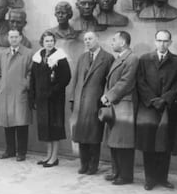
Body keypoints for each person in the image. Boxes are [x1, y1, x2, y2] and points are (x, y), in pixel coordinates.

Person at [136, 30, 177, 190]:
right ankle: (150, 179)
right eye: (159, 40)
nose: (162, 44)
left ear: (170, 42)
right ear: (155, 41)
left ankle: (163, 178)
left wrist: (164, 99)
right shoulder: (144, 59)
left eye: (165, 41)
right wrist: (153, 100)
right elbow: (140, 82)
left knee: (165, 144)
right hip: (149, 107)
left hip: (167, 107)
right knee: (149, 144)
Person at [70, 31, 114, 174]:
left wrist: (106, 99)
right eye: (85, 39)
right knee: (82, 135)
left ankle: (93, 165)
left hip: (95, 102)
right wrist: (72, 99)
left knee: (94, 136)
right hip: (80, 103)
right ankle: (84, 164)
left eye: (90, 39)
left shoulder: (107, 58)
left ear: (97, 39)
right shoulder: (82, 57)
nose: (87, 41)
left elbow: (110, 82)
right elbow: (76, 80)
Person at [101, 31, 139, 185]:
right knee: (114, 141)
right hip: (116, 104)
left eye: (114, 40)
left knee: (123, 143)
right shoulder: (121, 58)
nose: (112, 43)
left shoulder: (131, 58)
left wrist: (108, 96)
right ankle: (116, 172)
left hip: (125, 104)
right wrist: (108, 97)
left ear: (123, 42)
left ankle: (126, 176)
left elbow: (126, 82)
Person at [29, 31, 71, 167]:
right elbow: (33, 79)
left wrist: (53, 91)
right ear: (43, 42)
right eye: (47, 41)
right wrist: (33, 96)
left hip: (55, 99)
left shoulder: (60, 57)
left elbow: (66, 78)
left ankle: (54, 157)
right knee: (45, 127)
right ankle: (48, 155)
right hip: (41, 99)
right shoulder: (38, 57)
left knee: (55, 127)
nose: (49, 43)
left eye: (51, 41)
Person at [0, 29, 34, 161]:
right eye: (11, 37)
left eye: (16, 37)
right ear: (8, 38)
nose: (13, 39)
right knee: (7, 123)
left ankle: (21, 152)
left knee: (21, 123)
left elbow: (31, 73)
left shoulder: (28, 54)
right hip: (5, 94)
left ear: (20, 38)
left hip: (20, 93)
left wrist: (24, 85)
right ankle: (10, 150)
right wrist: (1, 85)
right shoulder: (2, 54)